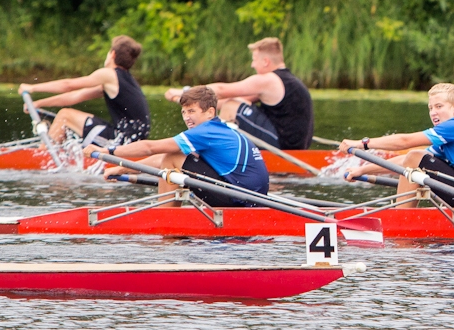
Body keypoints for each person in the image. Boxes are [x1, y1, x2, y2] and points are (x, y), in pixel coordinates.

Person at [85, 86, 269, 206]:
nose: (186, 117)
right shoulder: (219, 129)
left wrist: (107, 151)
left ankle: (164, 221)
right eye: (183, 112)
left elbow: (151, 147)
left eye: (191, 111)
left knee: (172, 157)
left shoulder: (206, 131)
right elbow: (164, 158)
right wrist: (122, 169)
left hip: (242, 201)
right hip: (250, 198)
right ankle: (168, 216)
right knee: (172, 158)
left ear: (210, 112)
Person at [338, 83, 454, 207]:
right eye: (430, 108)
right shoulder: (450, 134)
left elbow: (405, 142)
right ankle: (403, 216)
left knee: (415, 156)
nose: (433, 112)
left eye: (439, 106)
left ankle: (401, 220)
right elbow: (407, 161)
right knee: (415, 158)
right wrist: (362, 170)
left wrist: (362, 144)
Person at [164, 37, 314, 149]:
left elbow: (222, 91)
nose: (252, 64)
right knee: (233, 103)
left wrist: (183, 92)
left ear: (266, 61)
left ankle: (212, 149)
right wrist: (185, 102)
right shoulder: (288, 80)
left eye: (254, 60)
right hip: (294, 144)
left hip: (284, 147)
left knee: (231, 105)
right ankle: (206, 143)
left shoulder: (269, 80)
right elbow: (223, 102)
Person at [18, 35, 150, 145]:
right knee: (65, 115)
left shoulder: (109, 74)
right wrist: (38, 104)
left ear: (113, 54)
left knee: (64, 116)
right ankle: (55, 153)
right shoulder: (123, 81)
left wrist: (32, 87)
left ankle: (43, 157)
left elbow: (68, 85)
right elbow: (76, 96)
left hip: (122, 141)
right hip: (131, 140)